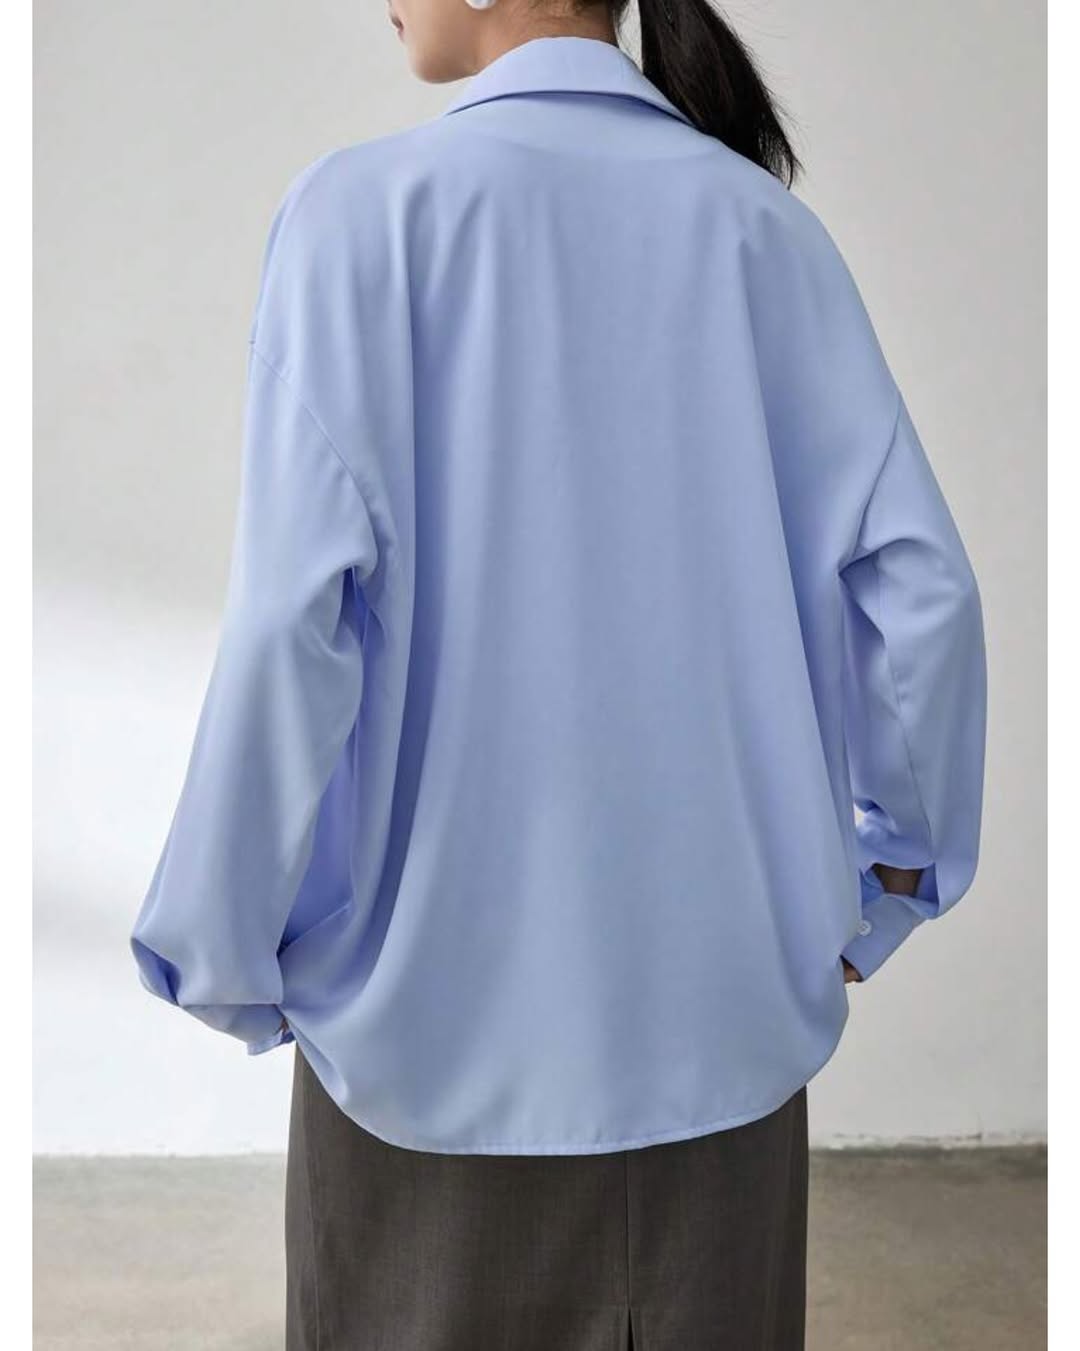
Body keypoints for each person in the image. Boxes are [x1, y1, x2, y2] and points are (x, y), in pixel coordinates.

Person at [128, 1, 988, 1347]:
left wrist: (219, 941)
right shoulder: (767, 233)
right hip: (726, 1040)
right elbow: (921, 596)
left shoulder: (360, 219)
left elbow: (295, 620)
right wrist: (886, 882)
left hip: (424, 1052)